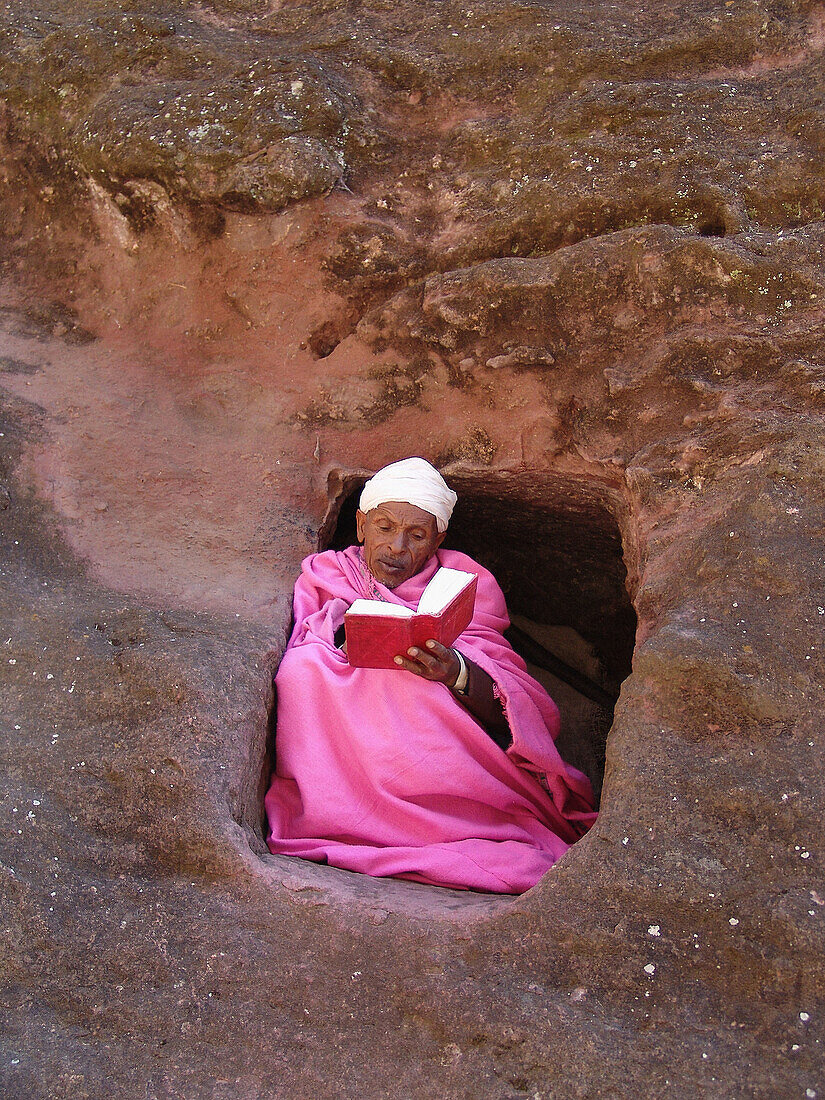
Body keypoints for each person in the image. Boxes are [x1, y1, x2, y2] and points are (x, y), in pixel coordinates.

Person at [265, 458, 597, 894]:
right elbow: (305, 639)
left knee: (411, 680)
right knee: (305, 670)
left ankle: (448, 823)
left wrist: (455, 671)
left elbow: (509, 682)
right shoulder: (327, 573)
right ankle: (344, 814)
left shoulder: (466, 582)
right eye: (384, 527)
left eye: (417, 535)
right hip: (346, 736)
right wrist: (344, 638)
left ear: (438, 538)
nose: (397, 547)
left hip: (444, 750)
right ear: (361, 526)